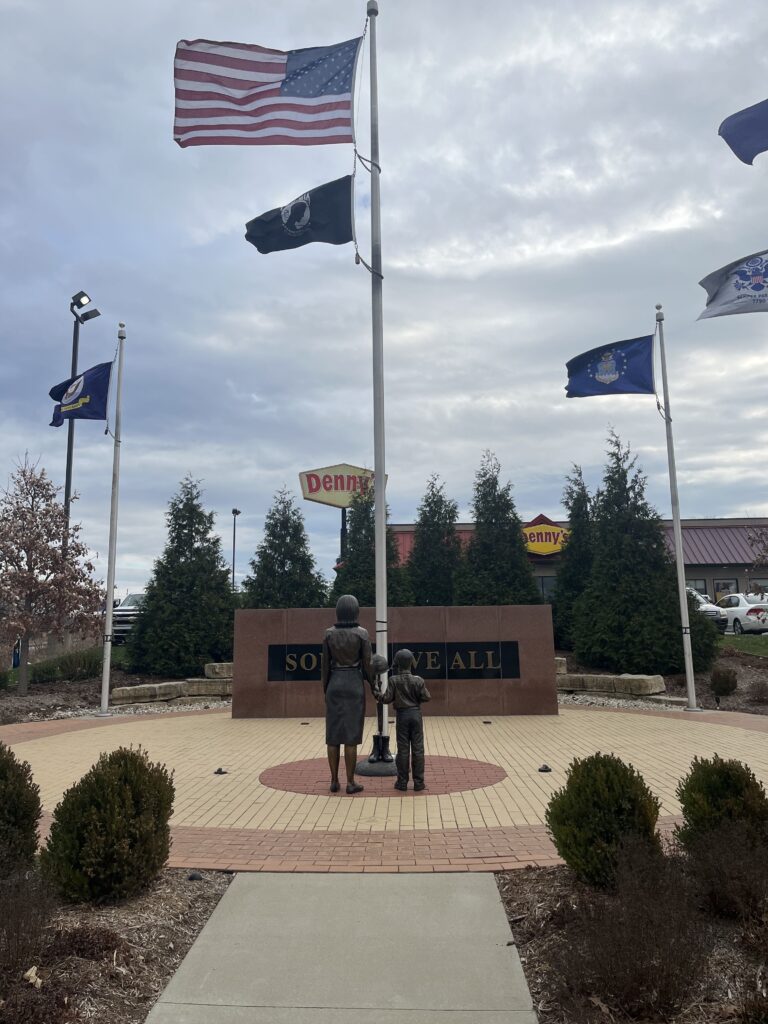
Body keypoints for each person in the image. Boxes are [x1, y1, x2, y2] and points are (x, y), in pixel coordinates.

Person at [321, 594, 375, 795]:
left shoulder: (328, 634)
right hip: (354, 684)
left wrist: (326, 688)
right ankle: (351, 782)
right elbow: (368, 664)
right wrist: (373, 685)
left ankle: (334, 780)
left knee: (333, 736)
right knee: (351, 737)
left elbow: (324, 665)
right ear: (355, 610)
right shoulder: (362, 634)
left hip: (334, 683)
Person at [378, 648, 431, 792]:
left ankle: (402, 782)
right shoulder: (418, 680)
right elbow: (426, 696)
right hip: (415, 715)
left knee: (403, 749)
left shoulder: (393, 680)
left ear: (398, 663)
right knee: (418, 749)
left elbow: (386, 699)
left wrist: (377, 693)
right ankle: (419, 783)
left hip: (402, 716)